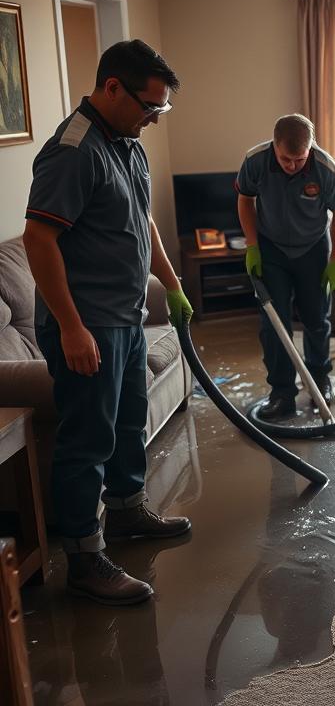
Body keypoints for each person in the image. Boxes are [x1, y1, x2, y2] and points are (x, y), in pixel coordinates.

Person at [23, 39, 193, 606]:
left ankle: (125, 512)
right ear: (112, 87)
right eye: (149, 106)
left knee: (125, 423)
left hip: (125, 317)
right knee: (87, 439)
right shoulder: (73, 150)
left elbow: (142, 222)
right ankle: (84, 557)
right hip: (86, 324)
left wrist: (171, 286)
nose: (152, 118)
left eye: (160, 110)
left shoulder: (127, 144)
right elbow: (39, 238)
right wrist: (71, 327)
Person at [237, 114, 335, 419]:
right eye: (286, 159)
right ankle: (282, 393)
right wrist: (251, 245)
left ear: (310, 149)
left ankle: (319, 381)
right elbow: (245, 199)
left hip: (313, 249)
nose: (292, 166)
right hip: (271, 249)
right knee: (274, 324)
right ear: (274, 145)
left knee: (316, 320)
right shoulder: (255, 161)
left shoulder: (325, 168)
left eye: (300, 160)